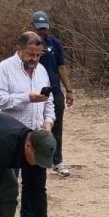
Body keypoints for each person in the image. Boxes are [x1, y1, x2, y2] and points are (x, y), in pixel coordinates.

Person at [0, 31, 55, 217]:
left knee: (36, 183)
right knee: (6, 183)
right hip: (11, 136)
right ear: (19, 49)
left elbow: (49, 101)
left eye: (38, 55)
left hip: (37, 136)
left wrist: (48, 122)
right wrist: (27, 98)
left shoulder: (42, 71)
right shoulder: (4, 69)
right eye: (30, 54)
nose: (35, 59)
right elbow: (0, 100)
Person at [32, 11, 75, 177]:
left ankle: (57, 161)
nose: (42, 32)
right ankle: (30, 160)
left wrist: (68, 90)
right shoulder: (28, 44)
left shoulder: (54, 43)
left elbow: (61, 67)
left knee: (56, 126)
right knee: (33, 125)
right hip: (35, 91)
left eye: (44, 28)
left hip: (54, 90)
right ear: (32, 27)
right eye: (39, 29)